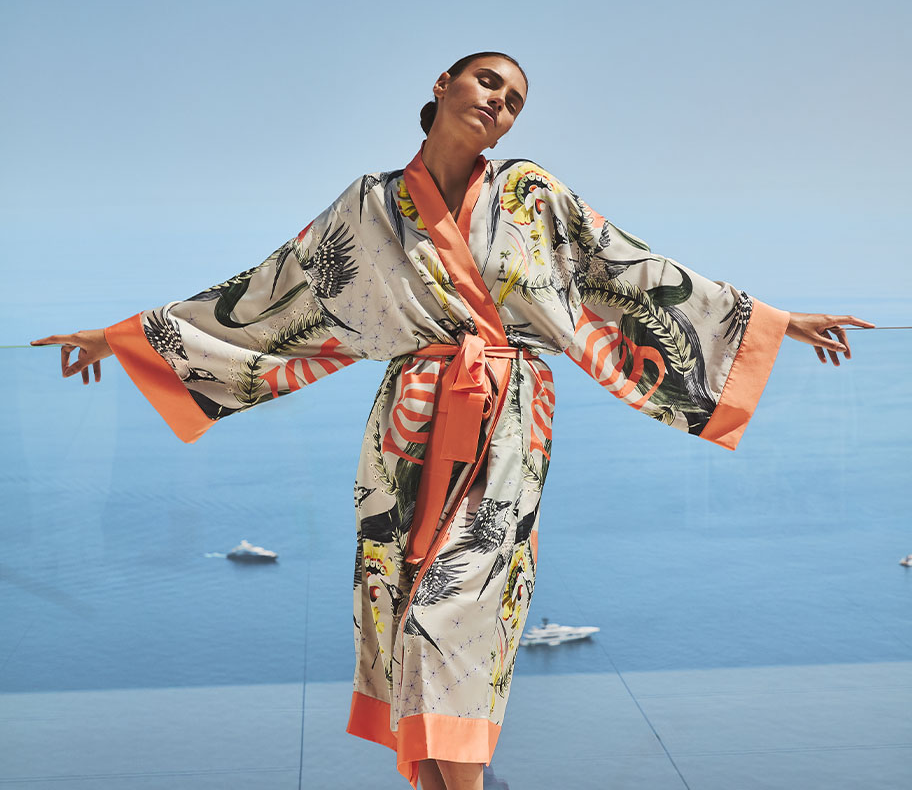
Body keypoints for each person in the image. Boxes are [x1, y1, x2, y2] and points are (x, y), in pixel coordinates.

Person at [32, 51, 874, 790]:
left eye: (513, 100)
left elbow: (630, 271)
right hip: (407, 433)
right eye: (487, 82)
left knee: (448, 626)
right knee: (408, 630)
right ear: (442, 84)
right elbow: (271, 294)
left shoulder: (533, 194)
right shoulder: (367, 206)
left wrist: (771, 321)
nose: (499, 104)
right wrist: (125, 339)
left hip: (507, 431)